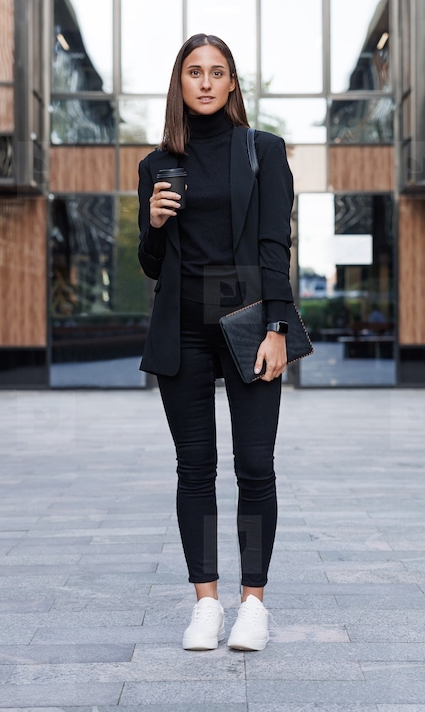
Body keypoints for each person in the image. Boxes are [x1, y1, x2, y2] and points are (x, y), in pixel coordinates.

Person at [136, 33, 295, 652]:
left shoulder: (262, 151)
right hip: (182, 327)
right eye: (194, 72)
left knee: (255, 467)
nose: (205, 82)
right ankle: (206, 603)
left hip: (249, 319)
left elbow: (274, 249)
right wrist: (151, 224)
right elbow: (153, 265)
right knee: (194, 470)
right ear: (180, 83)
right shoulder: (156, 165)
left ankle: (253, 603)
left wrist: (278, 327)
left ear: (232, 84)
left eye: (217, 72)